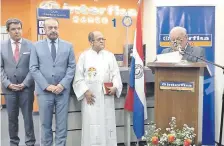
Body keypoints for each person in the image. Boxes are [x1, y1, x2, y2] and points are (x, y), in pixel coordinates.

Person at [29, 18, 76, 146]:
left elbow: (72, 67)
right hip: (44, 92)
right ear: (45, 30)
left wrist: (62, 84)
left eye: (55, 27)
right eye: (50, 28)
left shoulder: (68, 46)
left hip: (62, 91)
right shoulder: (36, 46)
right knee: (45, 125)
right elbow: (33, 68)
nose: (53, 30)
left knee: (62, 125)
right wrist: (47, 86)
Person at [73, 31, 123, 146]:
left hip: (107, 99)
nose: (102, 41)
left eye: (103, 39)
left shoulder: (110, 56)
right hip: (91, 99)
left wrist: (115, 87)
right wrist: (85, 91)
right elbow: (78, 78)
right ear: (91, 42)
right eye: (99, 39)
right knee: (92, 126)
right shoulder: (84, 57)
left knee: (107, 125)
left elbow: (116, 74)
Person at [1, 18, 35, 146]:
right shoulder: (1, 46)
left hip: (26, 88)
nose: (17, 31)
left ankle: (30, 142)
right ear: (8, 31)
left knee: (28, 118)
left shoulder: (31, 45)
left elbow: (33, 67)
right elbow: (0, 68)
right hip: (9, 90)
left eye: (19, 28)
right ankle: (13, 142)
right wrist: (8, 84)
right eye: (13, 29)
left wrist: (25, 83)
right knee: (12, 118)